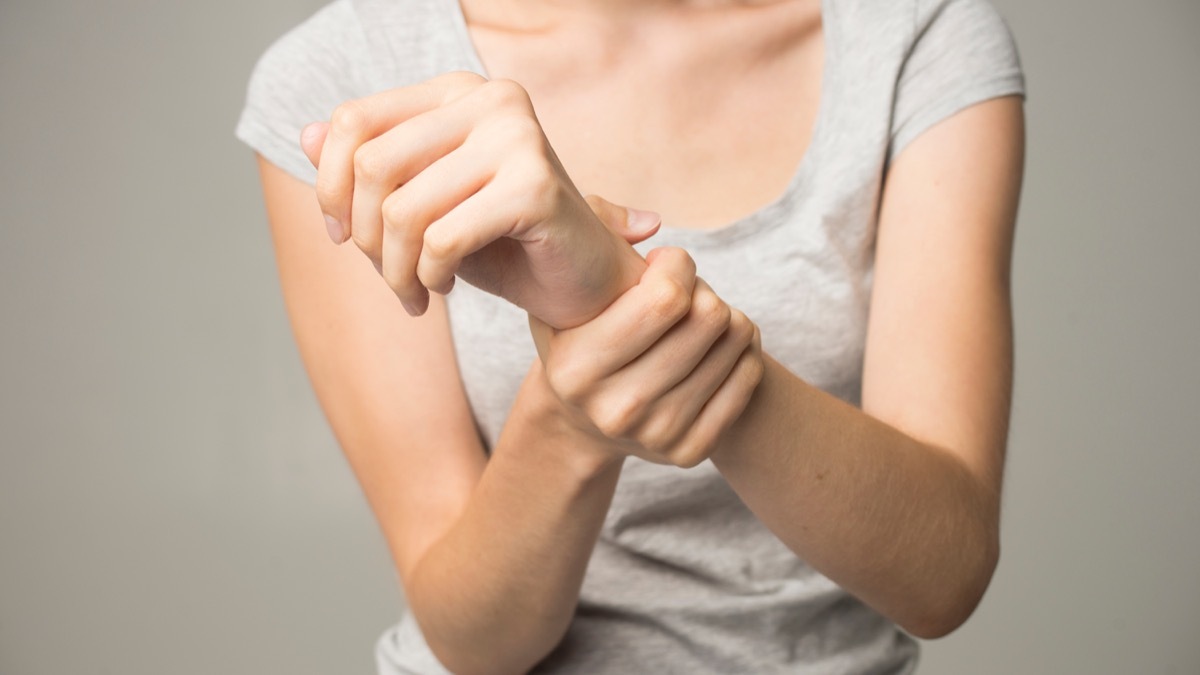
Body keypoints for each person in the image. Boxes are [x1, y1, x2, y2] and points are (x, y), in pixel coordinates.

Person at [236, 0, 1025, 670]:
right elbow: (473, 638)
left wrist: (615, 300)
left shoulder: (916, 32)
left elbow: (942, 573)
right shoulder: (347, 79)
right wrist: (575, 413)